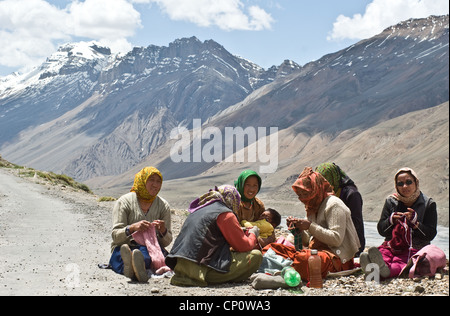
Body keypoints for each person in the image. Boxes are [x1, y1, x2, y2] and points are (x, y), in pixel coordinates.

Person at [267, 167, 360, 282]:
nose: (302, 199)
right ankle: (287, 266)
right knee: (271, 248)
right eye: (299, 194)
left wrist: (310, 226)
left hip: (336, 257)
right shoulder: (312, 206)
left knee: (304, 259)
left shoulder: (334, 205)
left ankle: (282, 267)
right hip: (316, 251)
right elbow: (307, 240)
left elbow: (336, 239)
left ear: (314, 190)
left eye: (305, 193)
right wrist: (298, 229)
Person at [165, 185, 263, 287]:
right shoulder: (225, 214)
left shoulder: (198, 210)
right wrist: (253, 234)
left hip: (179, 267)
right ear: (233, 200)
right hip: (200, 272)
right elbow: (244, 246)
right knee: (256, 256)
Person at [360, 167, 438, 279]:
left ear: (416, 182)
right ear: (396, 186)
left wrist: (416, 224)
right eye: (400, 183)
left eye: (409, 182)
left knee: (402, 262)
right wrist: (391, 221)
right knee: (384, 255)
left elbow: (430, 234)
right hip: (392, 246)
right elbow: (382, 230)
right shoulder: (391, 201)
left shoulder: (428, 204)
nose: (404, 186)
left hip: (416, 247)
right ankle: (377, 269)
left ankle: (383, 272)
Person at [109, 167, 172, 282]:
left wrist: (163, 231)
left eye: (158, 181)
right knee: (125, 254)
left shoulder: (163, 206)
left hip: (153, 249)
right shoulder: (124, 202)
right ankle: (132, 267)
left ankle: (133, 270)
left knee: (166, 259)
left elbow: (166, 242)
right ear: (142, 180)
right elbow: (116, 237)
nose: (155, 185)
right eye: (151, 180)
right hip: (127, 245)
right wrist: (132, 228)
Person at [315, 162, 366, 256]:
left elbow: (356, 224)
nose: (321, 185)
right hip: (333, 240)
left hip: (350, 244)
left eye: (324, 180)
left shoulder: (352, 195)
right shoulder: (324, 194)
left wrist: (356, 250)